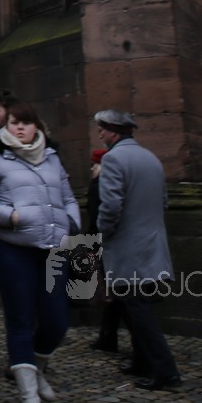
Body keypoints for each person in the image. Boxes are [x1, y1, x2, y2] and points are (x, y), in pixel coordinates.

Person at [0, 102, 79, 403]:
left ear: (36, 127)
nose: (19, 128)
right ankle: (29, 395)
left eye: (26, 123)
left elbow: (68, 197)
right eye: (14, 122)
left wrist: (71, 222)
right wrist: (12, 216)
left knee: (56, 321)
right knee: (20, 319)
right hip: (13, 250)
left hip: (53, 249)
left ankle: (37, 369)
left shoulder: (52, 157)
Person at [94, 110, 181, 391]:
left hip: (128, 247)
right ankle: (142, 362)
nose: (100, 133)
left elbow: (111, 206)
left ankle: (166, 372)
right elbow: (164, 202)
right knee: (134, 307)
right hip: (151, 244)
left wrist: (102, 233)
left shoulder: (113, 159)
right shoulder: (151, 157)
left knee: (138, 310)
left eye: (102, 129)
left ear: (114, 131)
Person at [85, 147, 125, 354]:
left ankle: (108, 337)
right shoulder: (116, 183)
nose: (92, 169)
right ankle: (107, 336)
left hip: (103, 243)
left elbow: (97, 218)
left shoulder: (98, 185)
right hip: (116, 243)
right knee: (115, 293)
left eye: (95, 165)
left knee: (112, 294)